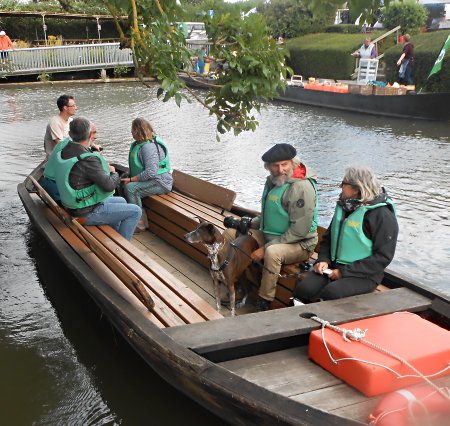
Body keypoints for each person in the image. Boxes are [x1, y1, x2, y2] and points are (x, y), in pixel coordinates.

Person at [224, 143, 319, 311]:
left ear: (293, 163)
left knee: (272, 252)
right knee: (231, 235)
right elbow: (271, 214)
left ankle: (264, 299)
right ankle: (239, 285)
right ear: (267, 167)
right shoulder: (273, 181)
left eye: (285, 164)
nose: (281, 169)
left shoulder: (301, 187)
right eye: (276, 165)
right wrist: (249, 223)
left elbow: (299, 231)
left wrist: (265, 247)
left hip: (299, 243)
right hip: (272, 235)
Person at [292, 166, 398, 303]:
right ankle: (299, 319)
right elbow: (328, 238)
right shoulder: (344, 206)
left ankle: (322, 322)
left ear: (356, 189)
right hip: (333, 266)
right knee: (303, 289)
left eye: (343, 183)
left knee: (332, 293)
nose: (340, 186)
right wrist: (323, 260)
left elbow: (383, 257)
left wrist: (344, 272)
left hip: (364, 275)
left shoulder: (382, 215)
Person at [53, 117, 141, 240]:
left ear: (70, 134)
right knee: (136, 211)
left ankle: (114, 238)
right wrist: (113, 173)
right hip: (85, 211)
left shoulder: (65, 150)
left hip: (73, 206)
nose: (95, 136)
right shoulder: (88, 159)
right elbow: (109, 186)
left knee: (121, 200)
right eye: (94, 133)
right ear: (89, 135)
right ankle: (121, 248)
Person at [122, 117, 173, 230]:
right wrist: (128, 175)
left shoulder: (148, 147)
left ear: (137, 130)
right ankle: (134, 216)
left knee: (131, 188)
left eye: (132, 129)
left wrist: (131, 180)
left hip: (160, 182)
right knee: (123, 181)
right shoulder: (139, 144)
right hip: (152, 180)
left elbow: (151, 172)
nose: (131, 132)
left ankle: (139, 223)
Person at [42, 122, 101, 202]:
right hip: (58, 192)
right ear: (87, 134)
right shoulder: (78, 150)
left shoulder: (65, 143)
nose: (95, 137)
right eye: (93, 133)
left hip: (50, 185)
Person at [43, 95, 77, 160]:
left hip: (68, 156)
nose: (76, 108)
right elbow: (61, 145)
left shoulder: (71, 121)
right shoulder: (55, 123)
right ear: (65, 108)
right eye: (73, 106)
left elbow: (79, 138)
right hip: (56, 160)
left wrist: (91, 145)